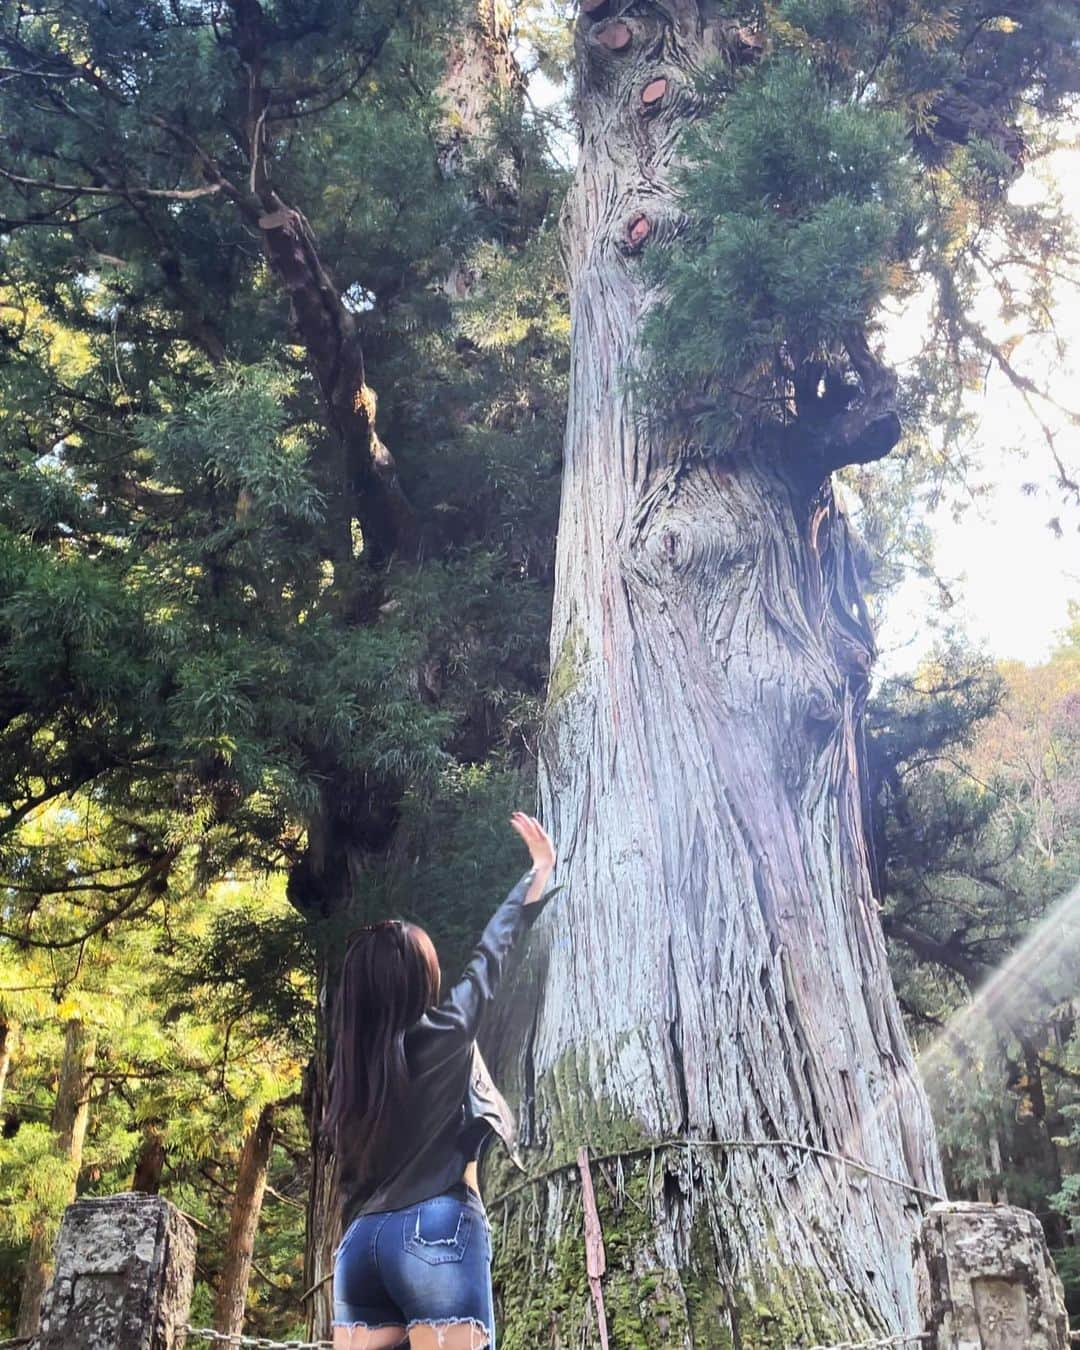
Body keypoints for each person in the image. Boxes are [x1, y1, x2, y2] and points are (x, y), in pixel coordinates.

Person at [327, 812, 557, 1350]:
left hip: (361, 1248)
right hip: (436, 1228)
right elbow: (489, 958)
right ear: (418, 980)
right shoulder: (445, 1033)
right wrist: (537, 872)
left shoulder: (350, 1074)